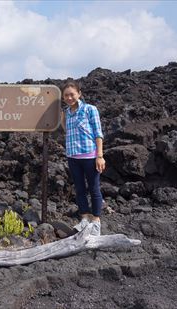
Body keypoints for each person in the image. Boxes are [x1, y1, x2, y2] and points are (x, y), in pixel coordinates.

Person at [61, 80, 105, 235]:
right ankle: (84, 219)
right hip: (73, 156)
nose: (69, 98)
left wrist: (99, 156)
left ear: (79, 94)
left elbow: (98, 133)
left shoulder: (89, 109)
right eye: (66, 95)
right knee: (79, 189)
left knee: (94, 188)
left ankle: (96, 222)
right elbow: (67, 129)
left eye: (72, 94)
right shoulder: (66, 112)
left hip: (90, 156)